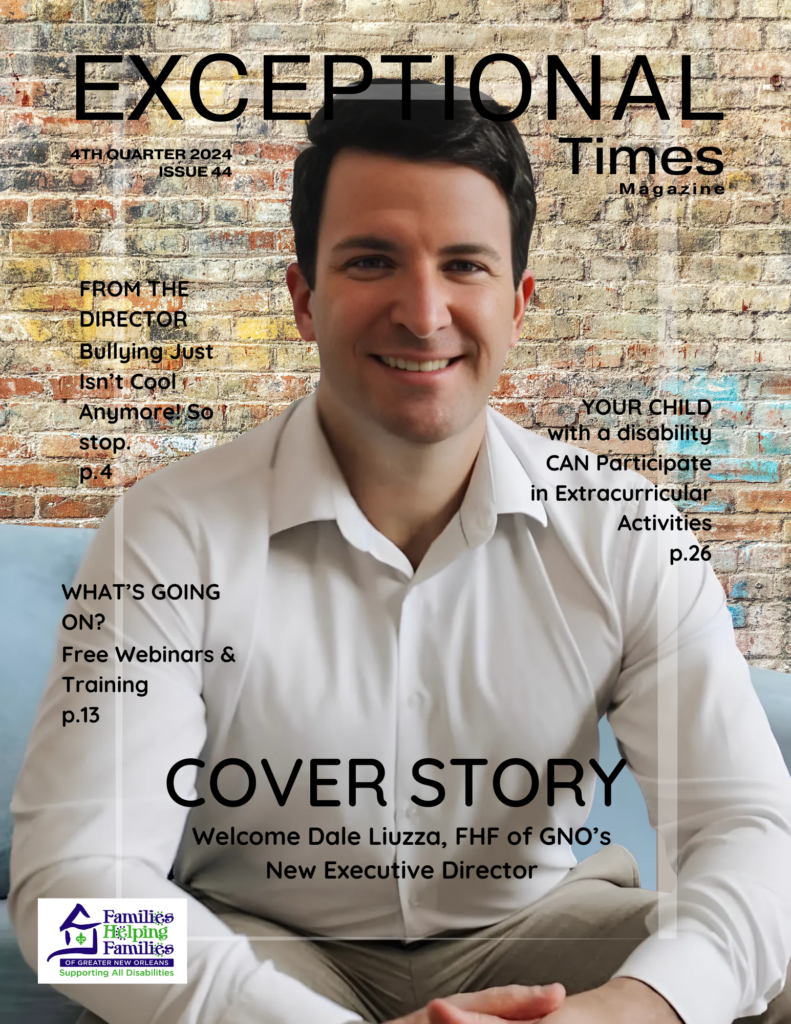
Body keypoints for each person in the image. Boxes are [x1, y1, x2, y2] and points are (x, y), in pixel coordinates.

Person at [10, 79, 791, 1024]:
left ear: (518, 302)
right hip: (261, 951)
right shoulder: (164, 537)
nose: (423, 315)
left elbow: (748, 831)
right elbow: (68, 900)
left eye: (464, 265)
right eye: (372, 260)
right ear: (302, 297)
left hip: (541, 933)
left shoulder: (628, 536)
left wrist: (630, 1009)